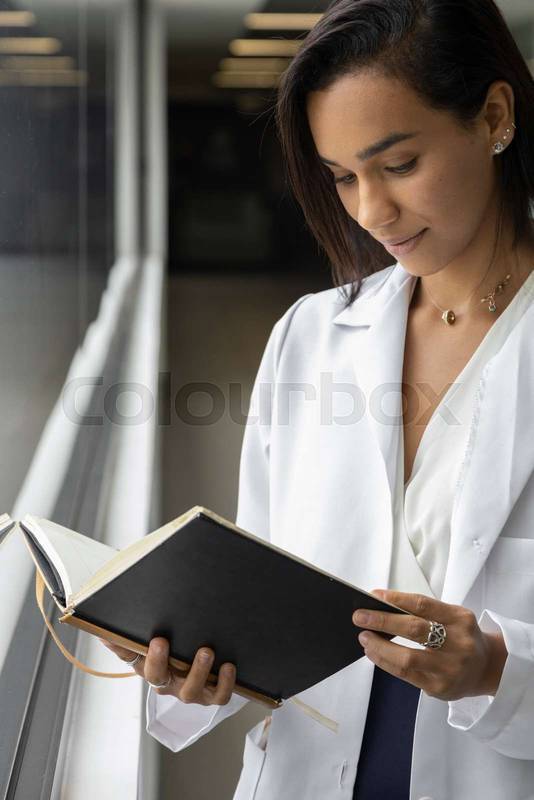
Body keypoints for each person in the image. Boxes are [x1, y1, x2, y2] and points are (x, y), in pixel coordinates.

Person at [102, 1, 534, 797]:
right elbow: (266, 579)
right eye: (343, 178)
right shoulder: (312, 332)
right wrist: (201, 663)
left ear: (494, 116)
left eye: (399, 165)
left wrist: (499, 669)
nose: (371, 213)